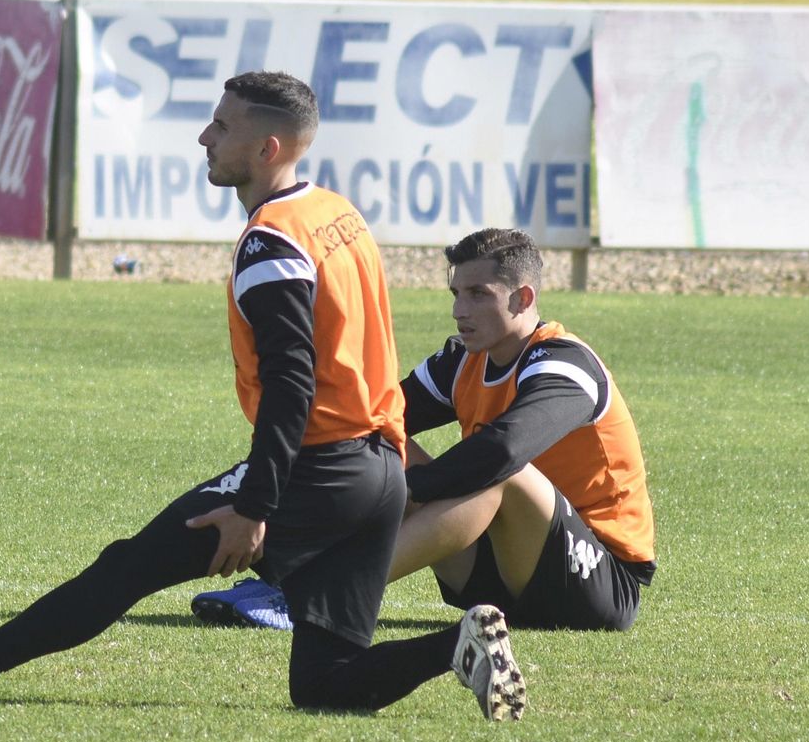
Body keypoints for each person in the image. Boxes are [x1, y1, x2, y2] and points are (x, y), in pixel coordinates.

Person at [0, 71, 524, 720]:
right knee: (326, 681)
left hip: (315, 465)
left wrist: (255, 505)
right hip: (382, 467)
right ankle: (458, 646)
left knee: (128, 567)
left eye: (223, 126)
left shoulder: (273, 241)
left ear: (267, 149)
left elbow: (293, 382)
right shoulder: (335, 213)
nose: (205, 136)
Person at [192, 228, 656, 637]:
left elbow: (503, 450)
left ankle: (319, 594)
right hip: (497, 579)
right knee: (379, 442)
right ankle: (285, 576)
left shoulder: (565, 366)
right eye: (455, 293)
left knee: (501, 472)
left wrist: (399, 491)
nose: (459, 309)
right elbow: (372, 419)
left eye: (478, 294)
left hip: (599, 582)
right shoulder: (463, 359)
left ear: (523, 298)